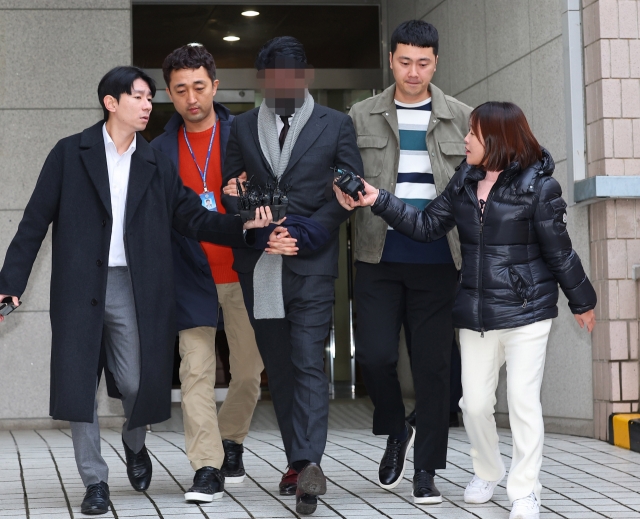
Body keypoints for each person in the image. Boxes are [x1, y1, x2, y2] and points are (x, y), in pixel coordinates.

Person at [0, 66, 273, 516]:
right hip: (79, 284)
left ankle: (134, 440)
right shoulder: (71, 154)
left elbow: (194, 218)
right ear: (111, 103)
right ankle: (95, 481)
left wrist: (242, 224)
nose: (148, 106)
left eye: (149, 98)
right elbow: (34, 221)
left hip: (132, 283)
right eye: (139, 98)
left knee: (133, 381)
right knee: (80, 386)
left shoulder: (154, 163)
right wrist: (11, 283)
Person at [334, 101, 597, 519]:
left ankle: (526, 488)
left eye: (473, 134)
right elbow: (426, 226)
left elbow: (560, 252)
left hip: (527, 311)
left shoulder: (539, 188)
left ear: (496, 139)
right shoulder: (464, 180)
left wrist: (583, 300)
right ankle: (487, 471)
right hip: (475, 311)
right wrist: (378, 199)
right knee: (473, 404)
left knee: (523, 401)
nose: (465, 140)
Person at [221, 36, 363, 515]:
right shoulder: (240, 126)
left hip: (311, 263)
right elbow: (231, 193)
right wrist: (262, 233)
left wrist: (301, 234)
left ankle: (309, 470)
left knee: (307, 362)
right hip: (260, 266)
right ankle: (297, 457)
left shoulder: (336, 124)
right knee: (278, 369)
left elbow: (345, 197)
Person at [347, 19, 471, 504]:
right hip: (378, 255)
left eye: (423, 63)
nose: (413, 72)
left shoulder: (462, 118)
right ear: (390, 59)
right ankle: (398, 428)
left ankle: (426, 471)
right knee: (375, 357)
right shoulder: (360, 116)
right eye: (404, 62)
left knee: (434, 368)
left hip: (441, 259)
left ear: (436, 62)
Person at [150, 43, 264, 504]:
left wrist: (250, 194)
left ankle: (232, 438)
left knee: (249, 372)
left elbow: (277, 193)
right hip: (190, 273)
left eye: (199, 87)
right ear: (169, 95)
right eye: (180, 90)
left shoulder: (248, 134)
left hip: (243, 271)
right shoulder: (157, 150)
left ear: (215, 86)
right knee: (195, 371)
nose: (191, 98)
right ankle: (207, 467)